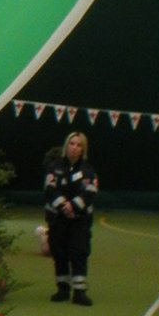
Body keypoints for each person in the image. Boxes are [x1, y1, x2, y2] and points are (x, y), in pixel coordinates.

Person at [44, 131, 98, 306]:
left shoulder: (88, 171)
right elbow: (50, 189)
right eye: (72, 144)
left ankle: (80, 291)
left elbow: (90, 192)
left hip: (79, 220)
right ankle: (63, 288)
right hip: (58, 219)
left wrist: (73, 206)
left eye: (78, 145)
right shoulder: (54, 167)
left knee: (78, 253)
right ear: (66, 145)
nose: (74, 148)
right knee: (59, 253)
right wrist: (63, 206)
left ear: (83, 149)